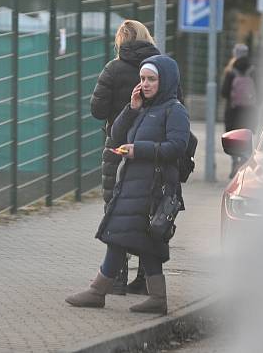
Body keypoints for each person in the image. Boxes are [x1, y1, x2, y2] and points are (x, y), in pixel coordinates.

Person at [66, 55, 190, 315]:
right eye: (142, 79)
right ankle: (157, 298)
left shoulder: (174, 110)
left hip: (153, 188)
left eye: (151, 79)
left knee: (121, 236)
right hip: (134, 185)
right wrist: (131, 108)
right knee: (144, 241)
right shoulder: (144, 108)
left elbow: (177, 147)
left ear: (165, 80)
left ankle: (98, 291)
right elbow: (116, 136)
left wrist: (138, 151)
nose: (145, 84)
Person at [89, 20, 160, 296]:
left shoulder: (113, 68)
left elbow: (97, 109)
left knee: (116, 210)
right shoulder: (160, 69)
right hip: (150, 147)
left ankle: (117, 277)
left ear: (120, 41)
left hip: (117, 147)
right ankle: (145, 278)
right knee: (147, 211)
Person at [220, 43, 258, 178]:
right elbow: (260, 91)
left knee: (233, 138)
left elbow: (224, 92)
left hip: (233, 111)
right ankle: (243, 163)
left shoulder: (231, 71)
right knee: (246, 138)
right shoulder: (253, 71)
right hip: (249, 112)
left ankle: (234, 162)